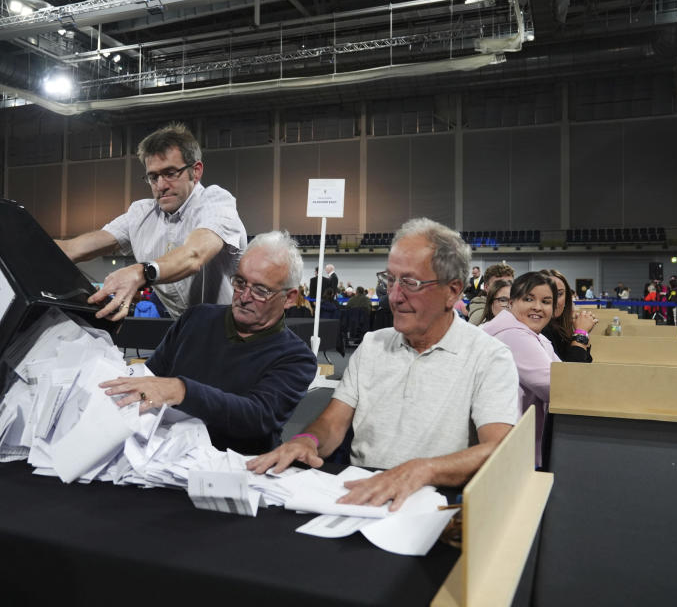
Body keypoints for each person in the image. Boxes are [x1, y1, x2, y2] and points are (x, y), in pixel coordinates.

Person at [248, 218, 518, 510]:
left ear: (452, 291)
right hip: (361, 495)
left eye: (410, 283)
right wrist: (307, 440)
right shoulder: (372, 344)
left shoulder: (490, 357)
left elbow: (498, 450)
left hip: (433, 503)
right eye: (391, 280)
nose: (394, 296)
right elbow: (332, 423)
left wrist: (422, 469)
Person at [99, 231, 316, 455]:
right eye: (240, 282)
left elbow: (257, 416)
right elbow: (151, 376)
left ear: (289, 298)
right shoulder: (196, 318)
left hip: (237, 467)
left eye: (260, 290)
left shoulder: (297, 358)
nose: (243, 296)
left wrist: (182, 390)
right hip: (164, 453)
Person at [56, 122, 246, 321]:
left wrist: (142, 272)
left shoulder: (216, 202)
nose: (161, 185)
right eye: (153, 177)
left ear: (196, 171)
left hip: (236, 334)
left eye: (170, 173)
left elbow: (194, 256)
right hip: (188, 333)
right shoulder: (141, 213)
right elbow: (73, 249)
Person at [481, 272, 560, 466]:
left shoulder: (536, 336)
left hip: (518, 443)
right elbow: (555, 386)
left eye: (546, 301)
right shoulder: (513, 335)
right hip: (508, 449)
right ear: (512, 302)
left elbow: (564, 375)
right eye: (528, 299)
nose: (538, 307)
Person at [542, 269, 596, 363]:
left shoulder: (562, 328)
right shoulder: (540, 331)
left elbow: (586, 364)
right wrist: (581, 334)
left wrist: (583, 334)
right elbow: (571, 372)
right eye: (547, 294)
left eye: (559, 294)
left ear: (567, 298)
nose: (554, 300)